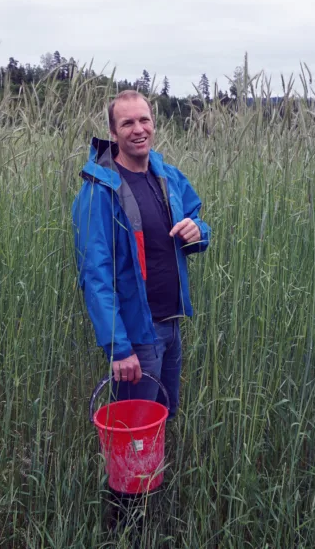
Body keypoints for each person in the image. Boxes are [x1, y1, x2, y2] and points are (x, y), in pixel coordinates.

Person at [71, 90, 210, 421]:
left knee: (164, 416)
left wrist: (199, 232)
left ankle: (156, 475)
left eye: (144, 120)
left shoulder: (167, 177)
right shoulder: (98, 191)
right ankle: (125, 476)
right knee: (134, 428)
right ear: (113, 132)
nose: (138, 129)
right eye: (127, 122)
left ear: (154, 124)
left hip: (171, 326)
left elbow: (196, 220)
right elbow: (95, 275)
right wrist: (120, 348)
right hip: (137, 336)